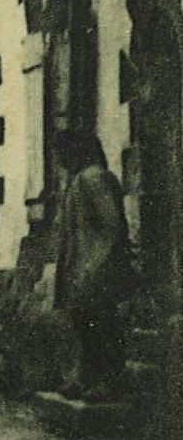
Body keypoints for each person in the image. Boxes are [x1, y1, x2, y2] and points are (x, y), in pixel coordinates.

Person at [53, 130, 137, 402]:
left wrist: (95, 265)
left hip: (97, 269)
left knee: (103, 326)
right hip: (81, 269)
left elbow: (112, 225)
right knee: (83, 325)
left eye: (63, 153)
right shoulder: (79, 180)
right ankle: (86, 378)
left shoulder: (95, 177)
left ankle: (109, 382)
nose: (60, 160)